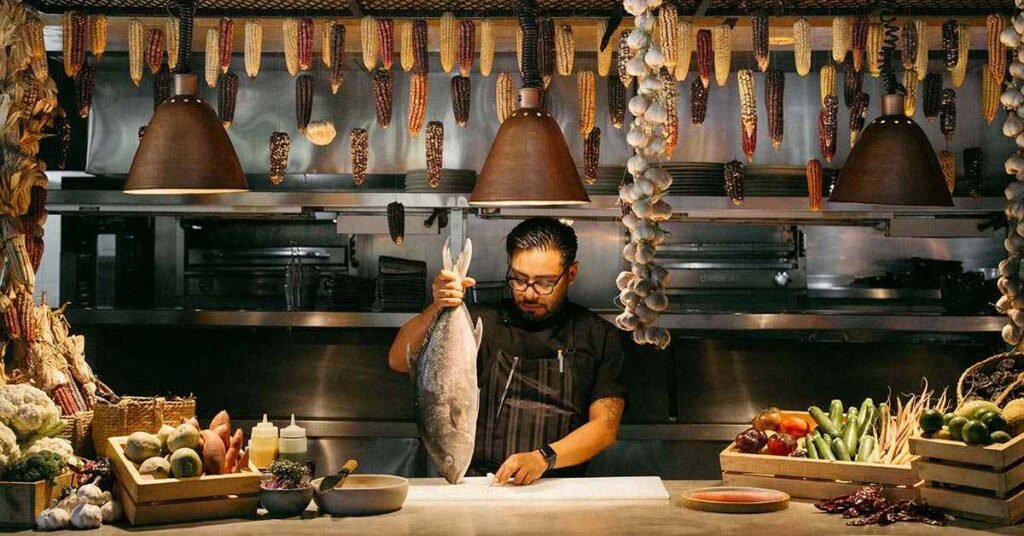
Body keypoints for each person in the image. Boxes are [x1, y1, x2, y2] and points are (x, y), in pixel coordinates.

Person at [389, 217, 627, 486]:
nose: (529, 293)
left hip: (561, 486)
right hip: (482, 486)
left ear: (571, 274)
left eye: (545, 282)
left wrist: (543, 458)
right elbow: (398, 359)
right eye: (519, 279)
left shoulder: (598, 336)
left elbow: (605, 428)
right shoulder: (482, 323)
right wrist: (439, 305)